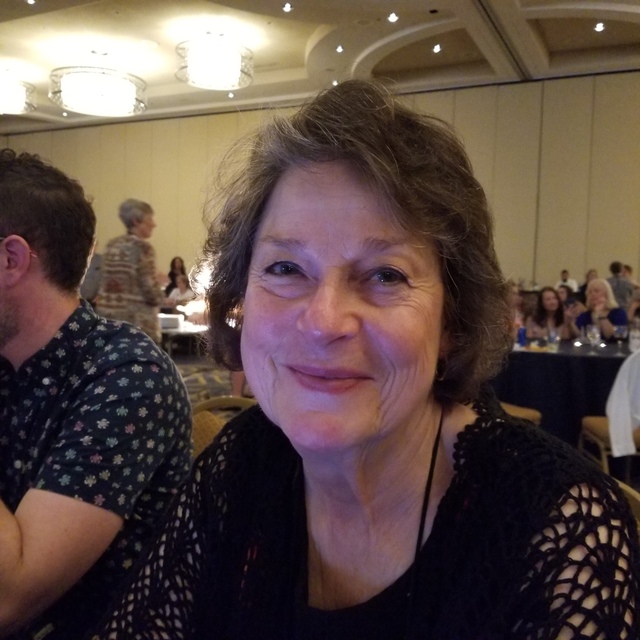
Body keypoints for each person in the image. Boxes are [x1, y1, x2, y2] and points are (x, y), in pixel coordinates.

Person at [91, 81, 640, 639]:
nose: (324, 321)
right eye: (285, 268)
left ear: (452, 322)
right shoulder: (239, 464)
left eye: (385, 275)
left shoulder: (555, 525)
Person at [0, 149, 193, 640]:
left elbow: (7, 603)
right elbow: (150, 294)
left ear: (11, 260)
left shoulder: (129, 380)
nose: (151, 224)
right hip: (139, 320)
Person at [96, 199, 167, 343]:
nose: (154, 224)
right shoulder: (143, 248)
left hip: (108, 324)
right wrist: (160, 284)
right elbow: (152, 294)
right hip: (137, 328)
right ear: (136, 221)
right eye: (150, 219)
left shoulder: (111, 245)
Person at [79, 240, 102, 306]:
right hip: (76, 301)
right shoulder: (76, 260)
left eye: (93, 245)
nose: (91, 248)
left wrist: (100, 295)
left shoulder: (102, 261)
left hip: (94, 302)